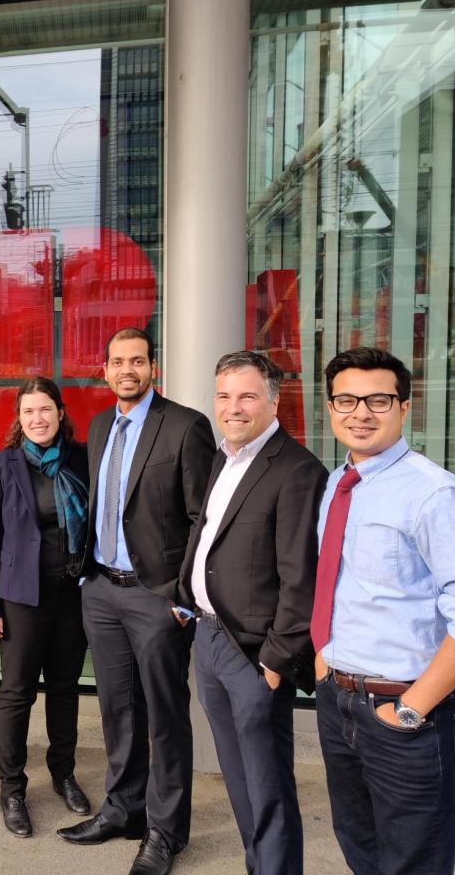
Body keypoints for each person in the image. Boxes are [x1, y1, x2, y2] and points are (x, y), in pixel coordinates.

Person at [57, 327, 216, 875]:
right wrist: (87, 579)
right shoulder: (101, 424)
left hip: (156, 595)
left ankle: (166, 831)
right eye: (118, 362)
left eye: (138, 361)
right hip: (101, 590)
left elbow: (203, 519)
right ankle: (123, 809)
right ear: (104, 370)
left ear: (154, 368)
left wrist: (184, 598)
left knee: (165, 717)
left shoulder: (185, 425)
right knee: (116, 709)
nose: (128, 370)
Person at [178, 351, 327, 875]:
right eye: (223, 396)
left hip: (253, 653)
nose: (232, 407)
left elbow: (300, 577)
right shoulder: (225, 455)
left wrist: (276, 660)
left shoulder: (298, 470)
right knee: (239, 778)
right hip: (210, 637)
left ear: (273, 400)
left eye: (246, 396)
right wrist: (185, 597)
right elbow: (207, 536)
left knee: (267, 786)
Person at [313, 346, 455, 875]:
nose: (361, 412)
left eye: (378, 399)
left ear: (404, 406)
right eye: (346, 399)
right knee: (361, 848)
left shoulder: (432, 494)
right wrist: (325, 660)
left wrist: (412, 709)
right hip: (339, 700)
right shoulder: (337, 484)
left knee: (416, 860)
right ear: (330, 407)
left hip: (406, 715)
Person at [0, 377, 90, 837]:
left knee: (65, 688)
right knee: (17, 690)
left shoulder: (82, 459)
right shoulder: (1, 466)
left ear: (60, 413)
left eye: (45, 409)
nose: (37, 419)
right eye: (28, 412)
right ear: (18, 419)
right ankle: (13, 788)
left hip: (73, 590)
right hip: (22, 596)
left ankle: (63, 774)